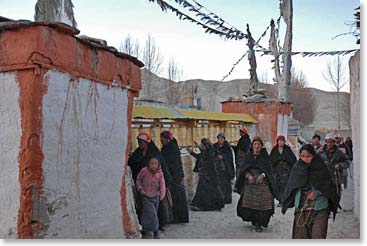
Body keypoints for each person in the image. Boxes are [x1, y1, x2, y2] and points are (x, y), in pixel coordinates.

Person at [281, 144, 338, 239]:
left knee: (318, 235)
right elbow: (292, 185)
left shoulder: (320, 167)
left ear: (313, 155)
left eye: (308, 156)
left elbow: (328, 186)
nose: (305, 159)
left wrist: (317, 193)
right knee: (301, 237)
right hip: (302, 208)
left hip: (319, 207)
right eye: (302, 156)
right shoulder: (297, 168)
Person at [127, 132, 173, 232]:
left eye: (141, 142)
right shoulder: (139, 151)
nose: (139, 144)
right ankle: (149, 226)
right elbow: (133, 161)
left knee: (159, 206)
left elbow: (161, 168)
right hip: (145, 185)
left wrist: (163, 184)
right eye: (138, 142)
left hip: (156, 184)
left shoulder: (154, 153)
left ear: (146, 142)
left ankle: (160, 224)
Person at [235, 137, 279, 232]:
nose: (256, 146)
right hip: (250, 184)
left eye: (258, 144)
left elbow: (269, 170)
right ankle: (254, 221)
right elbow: (243, 169)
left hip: (262, 184)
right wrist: (248, 175)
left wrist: (263, 175)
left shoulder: (265, 156)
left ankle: (259, 223)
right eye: (255, 144)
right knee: (250, 203)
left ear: (261, 146)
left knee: (262, 204)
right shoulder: (248, 155)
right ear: (252, 146)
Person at [160, 131, 189, 224]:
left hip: (175, 176)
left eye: (162, 139)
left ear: (167, 139)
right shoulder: (170, 147)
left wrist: (171, 177)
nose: (161, 141)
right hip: (175, 176)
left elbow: (172, 164)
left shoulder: (171, 149)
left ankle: (178, 218)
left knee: (177, 198)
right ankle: (178, 217)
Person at [190, 138, 225, 211]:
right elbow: (200, 155)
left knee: (206, 191)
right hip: (206, 175)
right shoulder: (207, 151)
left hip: (208, 176)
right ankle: (203, 205)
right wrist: (191, 151)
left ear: (205, 145)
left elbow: (212, 166)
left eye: (201, 144)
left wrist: (214, 177)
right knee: (206, 191)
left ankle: (204, 206)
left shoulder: (210, 153)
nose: (201, 146)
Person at [136, 157, 166, 239]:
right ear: (148, 164)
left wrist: (162, 193)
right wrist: (140, 189)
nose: (153, 165)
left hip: (156, 196)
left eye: (155, 163)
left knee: (152, 213)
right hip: (145, 196)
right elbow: (138, 179)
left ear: (158, 164)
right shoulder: (144, 171)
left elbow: (162, 183)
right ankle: (155, 231)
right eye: (151, 163)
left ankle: (145, 229)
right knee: (151, 214)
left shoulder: (160, 172)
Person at [317, 133, 349, 203]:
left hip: (335, 177)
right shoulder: (320, 152)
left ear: (334, 142)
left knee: (336, 194)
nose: (329, 144)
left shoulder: (339, 152)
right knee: (324, 194)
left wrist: (340, 165)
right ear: (325, 142)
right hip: (324, 177)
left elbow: (347, 162)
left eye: (331, 142)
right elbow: (315, 162)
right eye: (328, 142)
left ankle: (335, 206)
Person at [269, 135, 297, 207]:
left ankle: (285, 201)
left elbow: (293, 160)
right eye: (279, 141)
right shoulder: (274, 150)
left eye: (282, 141)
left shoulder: (288, 150)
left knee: (286, 186)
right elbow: (270, 161)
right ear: (277, 142)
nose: (281, 142)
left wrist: (285, 160)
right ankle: (280, 200)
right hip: (277, 172)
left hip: (286, 171)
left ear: (284, 142)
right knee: (278, 186)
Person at [213, 132, 235, 204]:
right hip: (217, 168)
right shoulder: (215, 146)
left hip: (226, 168)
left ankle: (227, 199)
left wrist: (223, 157)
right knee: (219, 184)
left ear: (224, 139)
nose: (220, 140)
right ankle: (220, 199)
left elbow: (230, 158)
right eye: (219, 138)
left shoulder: (227, 147)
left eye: (221, 138)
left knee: (226, 185)